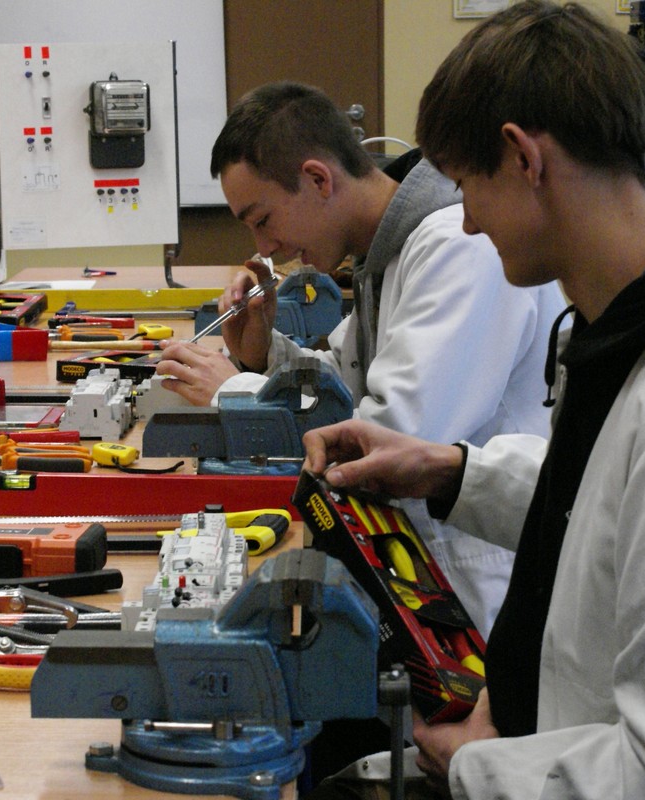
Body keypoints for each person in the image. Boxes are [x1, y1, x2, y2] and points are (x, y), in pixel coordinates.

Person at [303, 2, 645, 798]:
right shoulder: (637, 332)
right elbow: (611, 509)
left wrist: (478, 767)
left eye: (467, 186)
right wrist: (449, 470)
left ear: (524, 157)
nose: (467, 221)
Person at [157, 81, 568, 637]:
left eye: (263, 219)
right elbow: (345, 381)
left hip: (479, 590)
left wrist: (233, 392)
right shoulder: (387, 250)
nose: (264, 248)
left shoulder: (456, 247)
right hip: (427, 572)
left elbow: (386, 439)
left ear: (318, 179)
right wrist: (262, 353)